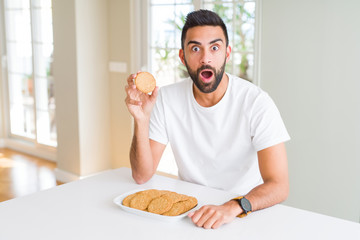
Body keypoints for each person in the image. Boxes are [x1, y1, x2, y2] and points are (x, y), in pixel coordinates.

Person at [125, 9, 290, 229]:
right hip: (189, 213)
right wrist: (141, 120)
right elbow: (141, 175)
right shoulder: (165, 99)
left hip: (245, 211)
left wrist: (233, 206)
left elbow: (279, 185)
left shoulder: (257, 103)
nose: (206, 58)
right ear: (183, 56)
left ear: (227, 53)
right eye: (195, 48)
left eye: (214, 47)